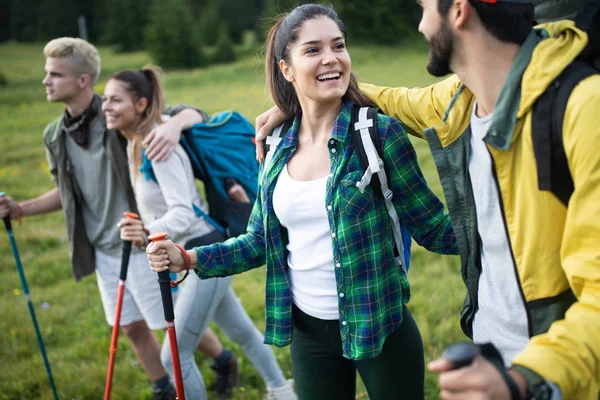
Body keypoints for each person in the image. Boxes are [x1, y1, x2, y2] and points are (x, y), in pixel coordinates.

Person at [254, 0, 600, 398]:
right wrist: (304, 98)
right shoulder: (460, 101)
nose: (419, 25)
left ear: (458, 11)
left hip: (554, 374)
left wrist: (523, 379)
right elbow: (395, 99)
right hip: (487, 359)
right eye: (313, 49)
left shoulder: (582, 107)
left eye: (423, 8)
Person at [146, 4, 458, 400]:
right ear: (286, 68)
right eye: (312, 50)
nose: (331, 58)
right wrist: (187, 258)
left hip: (381, 325)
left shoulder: (377, 134)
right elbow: (259, 241)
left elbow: (434, 228)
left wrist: (505, 234)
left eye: (338, 46)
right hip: (308, 335)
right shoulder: (275, 145)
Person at [0, 37, 229, 400]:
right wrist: (21, 208)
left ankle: (222, 359)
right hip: (102, 246)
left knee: (166, 323)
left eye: (55, 74)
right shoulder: (55, 135)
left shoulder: (117, 115)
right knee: (130, 326)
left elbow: (193, 112)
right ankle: (162, 388)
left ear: (83, 81)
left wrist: (172, 127)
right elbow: (66, 191)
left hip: (140, 240)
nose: (46, 81)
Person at [103, 66, 297, 400]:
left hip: (200, 250)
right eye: (104, 98)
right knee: (243, 332)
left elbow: (182, 210)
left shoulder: (158, 145)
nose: (105, 106)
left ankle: (282, 391)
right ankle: (283, 392)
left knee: (174, 356)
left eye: (115, 100)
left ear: (140, 104)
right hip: (193, 249)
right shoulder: (133, 143)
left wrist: (147, 233)